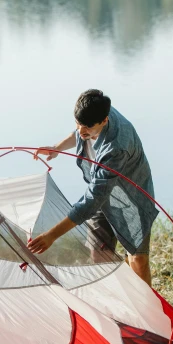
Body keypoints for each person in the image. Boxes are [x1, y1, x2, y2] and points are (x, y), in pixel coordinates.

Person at [29, 89, 158, 286]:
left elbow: (92, 199)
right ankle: (117, 305)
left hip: (131, 199)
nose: (81, 132)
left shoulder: (116, 147)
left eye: (88, 128)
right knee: (98, 256)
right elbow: (79, 133)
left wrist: (51, 235)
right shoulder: (94, 109)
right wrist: (57, 148)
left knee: (137, 259)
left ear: (104, 121)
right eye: (78, 124)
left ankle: (147, 313)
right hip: (101, 195)